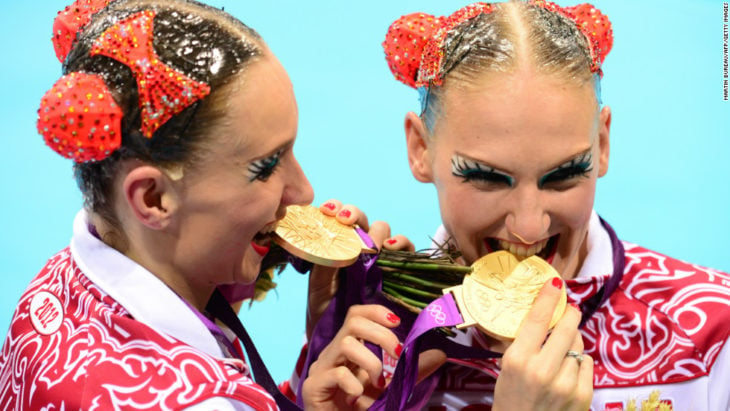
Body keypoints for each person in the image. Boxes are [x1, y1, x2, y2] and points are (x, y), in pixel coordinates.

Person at [0, 0, 406, 409]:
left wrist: (318, 358)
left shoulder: (57, 288)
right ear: (153, 199)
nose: (304, 192)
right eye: (266, 166)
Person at [371, 0, 730, 409]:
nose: (530, 227)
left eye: (563, 175)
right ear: (420, 148)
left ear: (603, 143)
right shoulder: (371, 339)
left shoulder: (714, 333)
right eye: (486, 177)